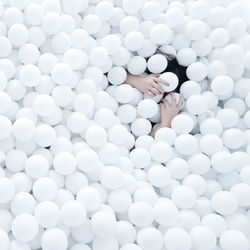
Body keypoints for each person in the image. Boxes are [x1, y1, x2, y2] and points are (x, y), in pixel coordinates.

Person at [124, 51, 187, 136]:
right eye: (155, 87)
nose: (159, 96)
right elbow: (106, 74)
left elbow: (137, 148)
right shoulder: (135, 89)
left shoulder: (176, 124)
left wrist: (165, 124)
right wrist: (135, 80)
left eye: (168, 96)